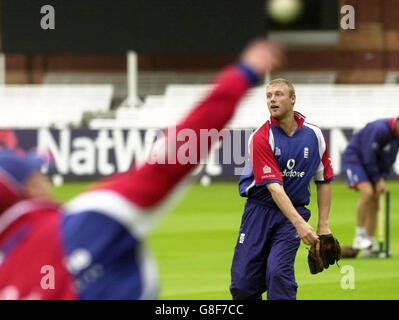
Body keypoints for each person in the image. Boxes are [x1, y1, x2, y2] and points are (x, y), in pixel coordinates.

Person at [0, 39, 282, 300]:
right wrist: (243, 74)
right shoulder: (88, 220)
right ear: (28, 189)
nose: (45, 180)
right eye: (37, 173)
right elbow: (173, 158)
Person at [230, 78, 335, 300]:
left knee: (279, 275)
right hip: (259, 212)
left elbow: (324, 180)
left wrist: (323, 225)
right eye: (268, 96)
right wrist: (302, 226)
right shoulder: (261, 136)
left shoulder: (314, 136)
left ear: (293, 99)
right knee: (242, 286)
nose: (272, 100)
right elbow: (274, 187)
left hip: (291, 215)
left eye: (278, 94)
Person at [342, 116, 399, 257]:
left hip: (370, 164)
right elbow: (368, 156)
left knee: (375, 200)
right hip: (355, 160)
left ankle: (369, 243)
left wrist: (382, 179)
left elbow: (389, 159)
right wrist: (377, 179)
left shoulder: (396, 136)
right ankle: (359, 236)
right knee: (367, 193)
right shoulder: (379, 128)